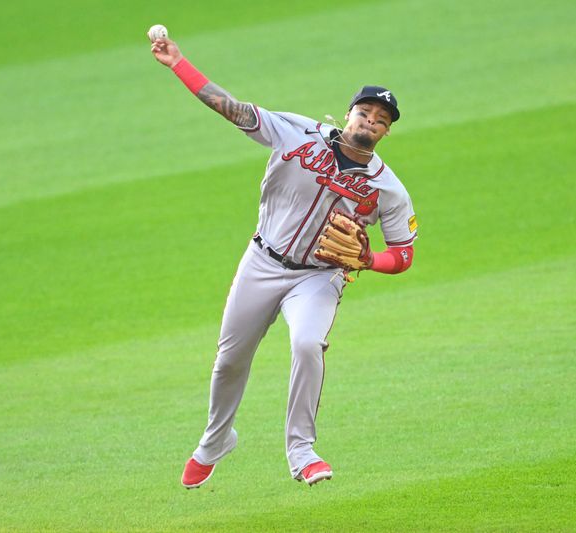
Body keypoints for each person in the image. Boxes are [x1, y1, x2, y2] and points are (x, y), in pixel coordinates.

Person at [149, 33, 418, 488]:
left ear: (387, 131)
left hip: (317, 279)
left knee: (307, 344)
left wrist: (370, 259)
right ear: (349, 113)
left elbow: (404, 255)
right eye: (365, 113)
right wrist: (179, 63)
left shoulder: (387, 189)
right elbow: (231, 108)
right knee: (230, 360)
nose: (370, 122)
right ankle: (215, 441)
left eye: (381, 120)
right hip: (262, 261)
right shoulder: (296, 131)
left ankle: (302, 451)